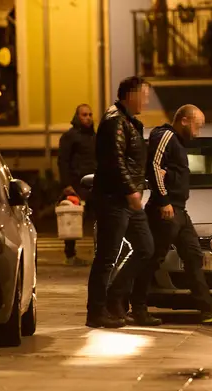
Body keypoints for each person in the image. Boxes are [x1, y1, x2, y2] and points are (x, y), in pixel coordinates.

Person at [122, 104, 212, 324]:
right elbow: (155, 166)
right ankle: (137, 307)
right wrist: (164, 200)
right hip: (166, 209)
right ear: (184, 120)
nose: (198, 131)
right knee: (153, 258)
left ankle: (207, 307)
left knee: (193, 255)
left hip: (179, 210)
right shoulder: (165, 135)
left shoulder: (176, 143)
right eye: (197, 125)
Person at [85, 76, 154, 329]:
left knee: (146, 247)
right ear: (131, 94)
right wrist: (130, 190)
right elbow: (114, 161)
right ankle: (96, 311)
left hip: (128, 198)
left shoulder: (128, 121)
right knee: (107, 255)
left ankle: (115, 297)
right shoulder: (115, 121)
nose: (146, 101)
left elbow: (132, 160)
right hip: (115, 199)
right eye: (144, 95)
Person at [57, 103, 97, 266]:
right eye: (84, 115)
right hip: (76, 184)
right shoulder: (70, 137)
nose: (88, 118)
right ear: (77, 117)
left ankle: (99, 253)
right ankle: (70, 254)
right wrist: (67, 183)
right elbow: (63, 161)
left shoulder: (94, 137)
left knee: (98, 219)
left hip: (94, 184)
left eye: (90, 114)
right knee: (72, 220)